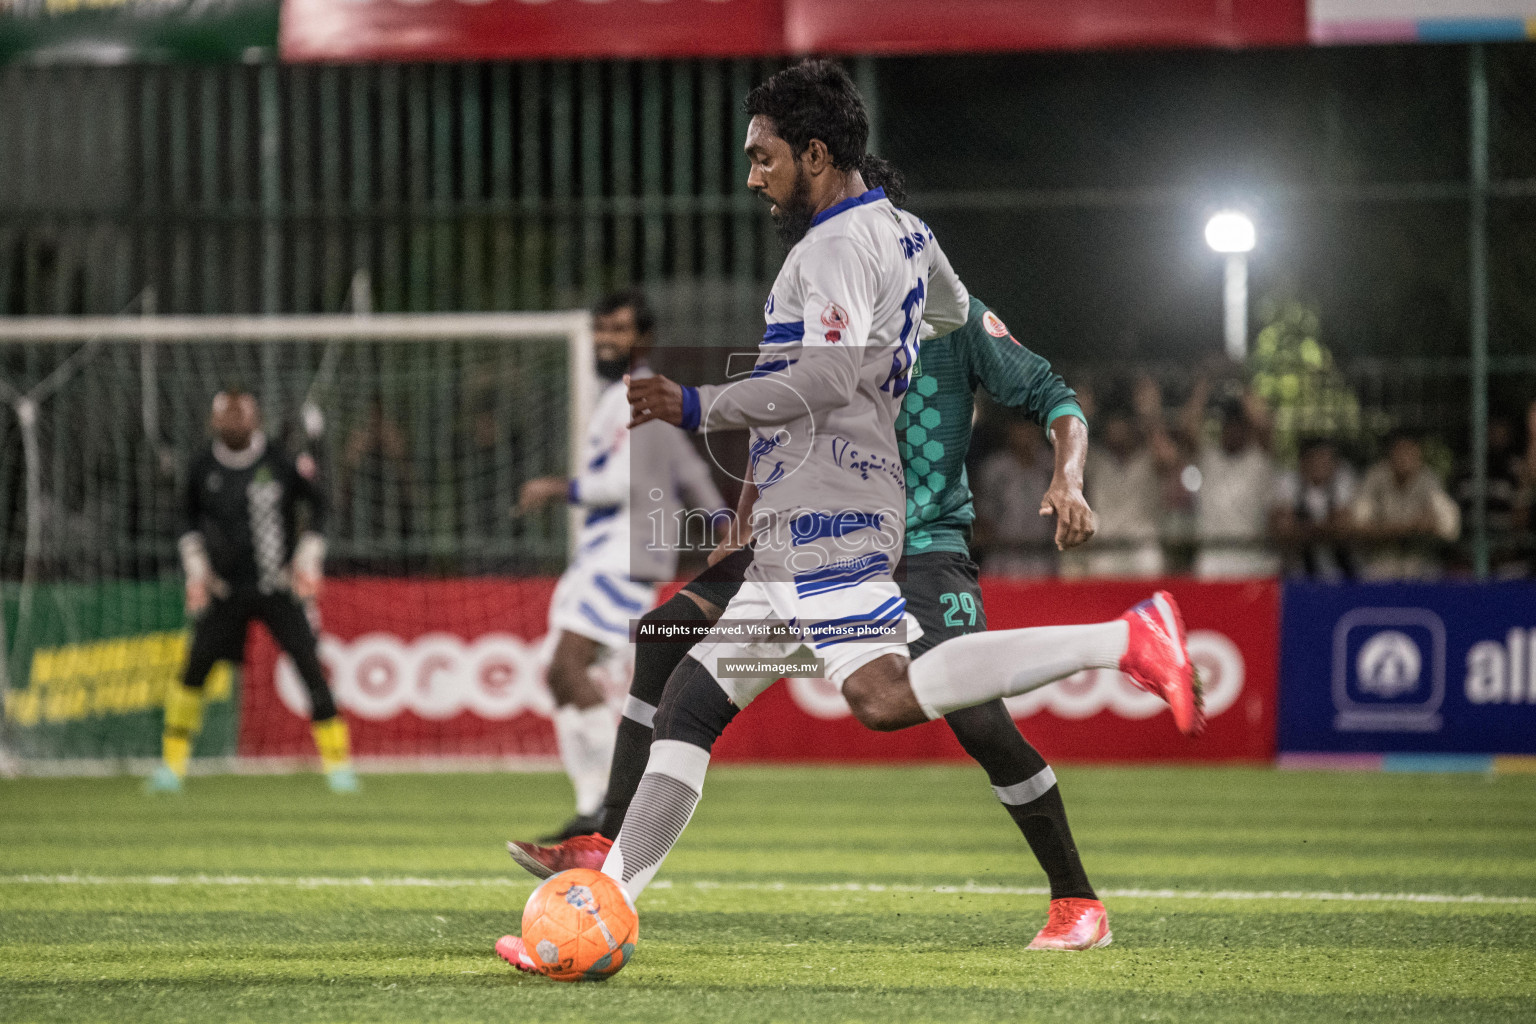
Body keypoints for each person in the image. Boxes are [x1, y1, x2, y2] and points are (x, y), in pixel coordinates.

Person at [497, 60, 1199, 965]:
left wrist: (698, 405)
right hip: (812, 511)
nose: (753, 177)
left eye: (764, 158)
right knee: (690, 702)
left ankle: (1125, 639)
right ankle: (606, 912)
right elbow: (947, 315)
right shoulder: (908, 235)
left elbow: (833, 376)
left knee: (885, 695)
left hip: (833, 509)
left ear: (816, 155)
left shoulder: (826, 251)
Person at [516, 290, 727, 842]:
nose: (606, 339)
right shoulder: (626, 397)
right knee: (560, 675)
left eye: (619, 330)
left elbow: (624, 482)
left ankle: (608, 807)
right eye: (601, 329)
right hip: (610, 554)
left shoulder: (634, 393)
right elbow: (685, 465)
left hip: (624, 555)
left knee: (566, 670)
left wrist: (554, 487)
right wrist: (724, 521)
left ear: (644, 338)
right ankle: (596, 806)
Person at [148, 389, 355, 794]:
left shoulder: (281, 460)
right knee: (194, 672)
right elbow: (185, 519)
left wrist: (309, 554)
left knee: (310, 667)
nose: (234, 421)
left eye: (242, 413)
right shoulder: (202, 466)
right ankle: (172, 768)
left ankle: (339, 769)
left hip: (277, 587)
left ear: (257, 418)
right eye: (226, 414)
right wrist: (195, 567)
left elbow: (321, 506)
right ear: (213, 421)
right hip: (224, 590)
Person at [1183, 380, 1278, 579]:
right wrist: (1205, 382)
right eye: (1229, 426)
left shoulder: (1259, 460)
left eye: (1239, 426)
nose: (1234, 431)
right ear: (1222, 429)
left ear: (1247, 429)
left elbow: (1265, 425)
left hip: (1252, 559)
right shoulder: (1208, 457)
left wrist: (1240, 380)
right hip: (1211, 559)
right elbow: (1188, 426)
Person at [1351, 429, 1460, 580]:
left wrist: (1429, 525)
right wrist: (1407, 527)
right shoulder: (1375, 477)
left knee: (1432, 575)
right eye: (1399, 451)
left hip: (1420, 562)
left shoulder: (1428, 479)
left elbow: (1450, 528)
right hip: (1380, 562)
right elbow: (1357, 526)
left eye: (1410, 451)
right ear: (1389, 453)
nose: (1404, 457)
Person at [974, 417, 1057, 577]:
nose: (1024, 434)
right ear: (1010, 431)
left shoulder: (1051, 466)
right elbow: (982, 515)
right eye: (1019, 429)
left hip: (1042, 557)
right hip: (1003, 557)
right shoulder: (995, 469)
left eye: (1029, 428)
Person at [1270, 436, 1357, 581]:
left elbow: (1344, 525)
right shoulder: (1289, 482)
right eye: (1315, 458)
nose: (1320, 464)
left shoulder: (1343, 481)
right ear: (1303, 462)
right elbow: (1283, 527)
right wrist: (1324, 528)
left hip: (1339, 568)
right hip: (1298, 570)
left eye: (1326, 459)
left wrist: (1306, 529)